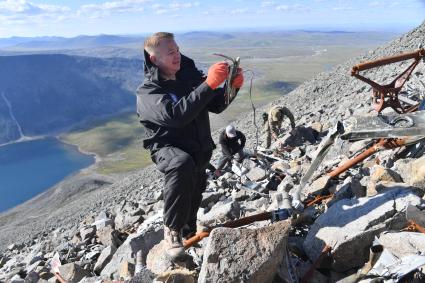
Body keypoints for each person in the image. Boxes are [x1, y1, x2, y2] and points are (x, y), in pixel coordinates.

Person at [136, 32, 243, 261]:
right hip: (168, 149)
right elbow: (176, 116)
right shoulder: (149, 91)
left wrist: (232, 88)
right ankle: (171, 231)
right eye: (170, 53)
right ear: (154, 59)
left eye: (177, 50)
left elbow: (215, 105)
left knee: (192, 199)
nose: (177, 56)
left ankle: (187, 240)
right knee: (180, 163)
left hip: (198, 151)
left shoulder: (188, 77)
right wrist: (209, 83)